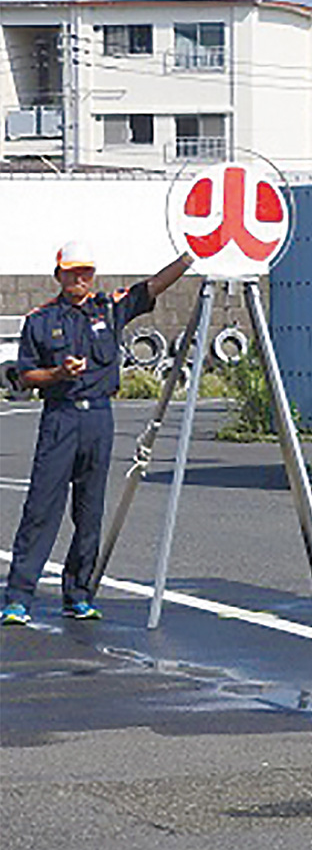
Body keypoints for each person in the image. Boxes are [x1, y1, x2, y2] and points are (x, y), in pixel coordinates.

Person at [2, 241, 193, 625]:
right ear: (59, 275)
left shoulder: (108, 307)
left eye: (86, 271)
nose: (81, 278)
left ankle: (78, 595)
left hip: (99, 420)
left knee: (90, 513)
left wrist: (190, 258)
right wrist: (58, 374)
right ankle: (18, 598)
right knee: (42, 508)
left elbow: (153, 287)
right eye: (73, 272)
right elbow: (25, 376)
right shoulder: (40, 320)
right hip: (61, 418)